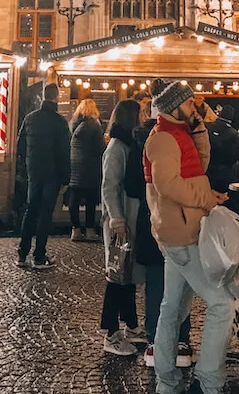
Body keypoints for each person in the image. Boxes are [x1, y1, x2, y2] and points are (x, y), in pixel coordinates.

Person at [144, 80, 230, 394]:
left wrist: (199, 129)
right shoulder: (165, 138)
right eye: (190, 103)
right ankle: (209, 380)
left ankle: (167, 381)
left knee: (173, 307)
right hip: (182, 231)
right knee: (222, 303)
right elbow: (168, 184)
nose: (195, 107)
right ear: (176, 106)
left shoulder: (178, 134)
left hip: (177, 229)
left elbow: (198, 166)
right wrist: (206, 198)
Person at [124, 86, 193, 369]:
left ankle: (155, 339)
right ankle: (179, 340)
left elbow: (130, 184)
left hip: (151, 219)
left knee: (157, 282)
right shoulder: (180, 139)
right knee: (181, 280)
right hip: (177, 219)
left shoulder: (141, 139)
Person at [100, 98, 143, 356]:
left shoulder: (128, 144)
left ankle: (131, 324)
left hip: (128, 219)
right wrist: (117, 219)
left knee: (127, 274)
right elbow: (109, 185)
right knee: (116, 275)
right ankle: (110, 332)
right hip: (120, 222)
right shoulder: (117, 147)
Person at [16, 81, 70, 270]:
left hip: (34, 172)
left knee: (31, 211)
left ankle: (22, 253)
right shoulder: (60, 122)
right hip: (52, 173)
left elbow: (20, 146)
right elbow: (64, 153)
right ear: (56, 97)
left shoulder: (30, 118)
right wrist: (65, 179)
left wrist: (29, 165)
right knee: (45, 214)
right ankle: (39, 256)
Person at [68, 97, 105, 242]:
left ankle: (75, 230)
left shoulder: (73, 124)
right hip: (90, 166)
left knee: (74, 199)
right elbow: (100, 148)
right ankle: (89, 229)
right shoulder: (94, 125)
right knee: (91, 199)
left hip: (75, 165)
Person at [206, 104, 239, 194]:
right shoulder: (234, 134)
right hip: (226, 172)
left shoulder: (206, 127)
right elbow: (236, 156)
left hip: (208, 170)